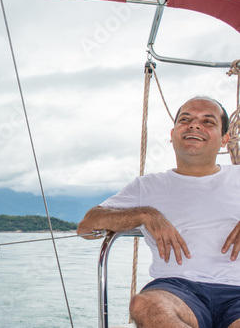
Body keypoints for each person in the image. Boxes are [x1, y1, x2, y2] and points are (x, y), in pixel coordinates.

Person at [77, 97, 240, 328]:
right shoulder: (147, 187)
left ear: (224, 139)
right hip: (177, 290)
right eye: (186, 119)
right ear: (172, 134)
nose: (194, 125)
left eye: (208, 121)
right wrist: (146, 215)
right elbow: (87, 226)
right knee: (145, 306)